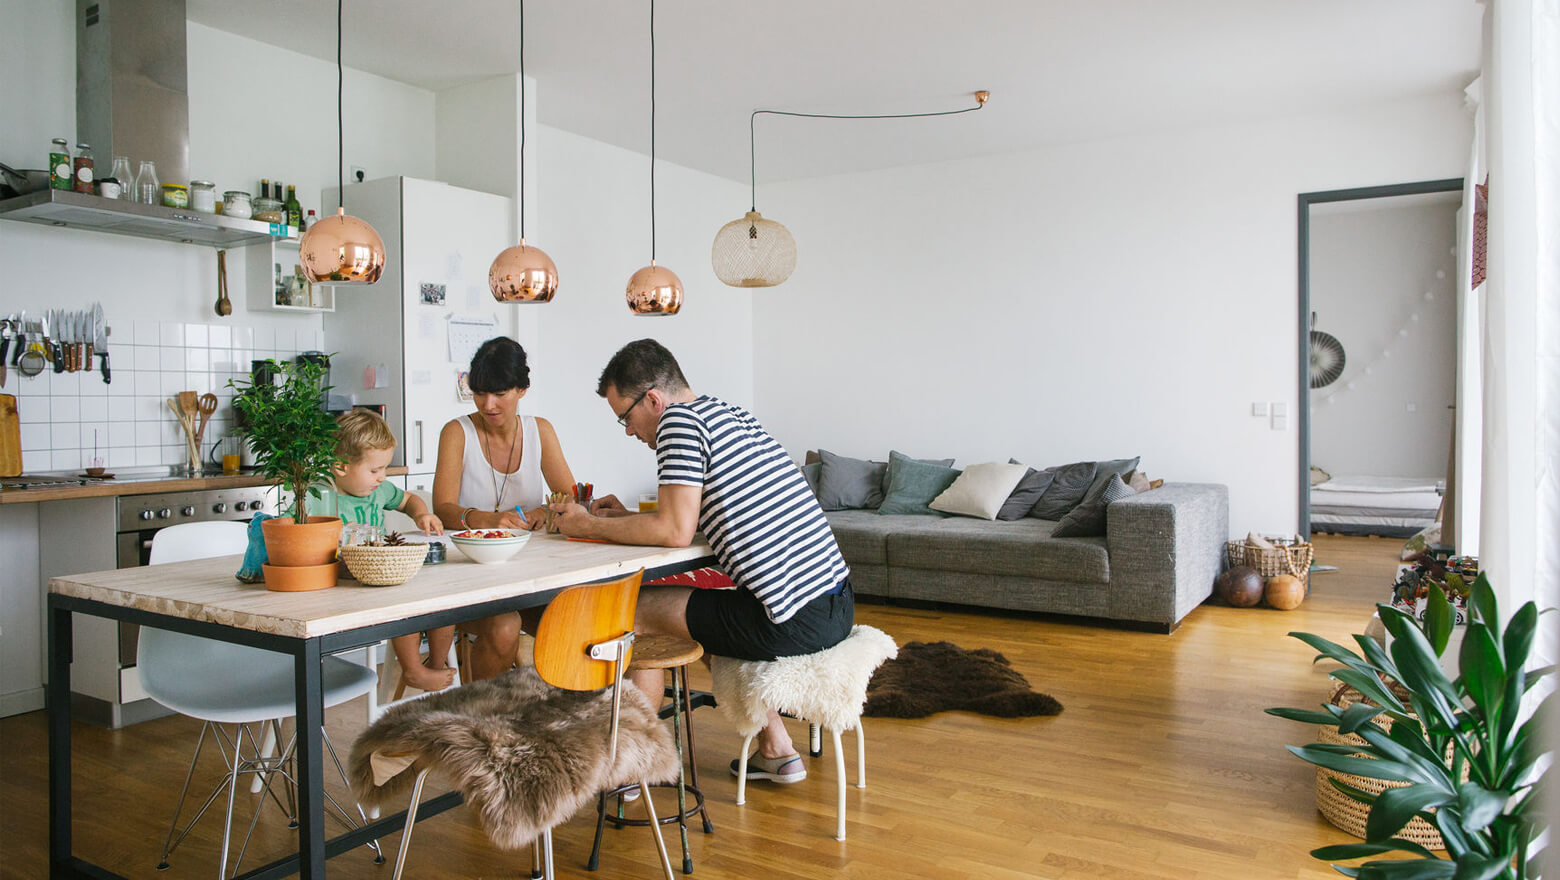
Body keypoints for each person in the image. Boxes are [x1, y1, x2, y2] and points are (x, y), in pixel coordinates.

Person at [551, 338, 853, 785]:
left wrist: (584, 526)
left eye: (626, 418)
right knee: (704, 609)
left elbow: (673, 532)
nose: (630, 431)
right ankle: (777, 748)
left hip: (792, 619)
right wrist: (629, 520)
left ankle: (629, 770)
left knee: (631, 610)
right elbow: (690, 519)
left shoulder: (678, 424)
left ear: (653, 399)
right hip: (834, 601)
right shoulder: (728, 415)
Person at [432, 336, 578, 680]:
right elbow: (443, 509)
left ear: (522, 389)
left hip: (530, 575)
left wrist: (544, 512)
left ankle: (555, 711)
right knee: (504, 625)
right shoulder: (457, 432)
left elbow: (569, 496)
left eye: (500, 393)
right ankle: (483, 716)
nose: (488, 403)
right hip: (467, 575)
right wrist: (490, 519)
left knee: (577, 614)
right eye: (480, 393)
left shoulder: (540, 431)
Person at [330, 409, 454, 692]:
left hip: (379, 576)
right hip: (344, 584)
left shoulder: (379, 491)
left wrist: (421, 515)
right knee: (402, 603)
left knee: (443, 600)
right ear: (341, 467)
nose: (382, 477)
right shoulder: (322, 496)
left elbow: (409, 499)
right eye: (374, 470)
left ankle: (435, 664)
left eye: (385, 468)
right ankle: (412, 670)